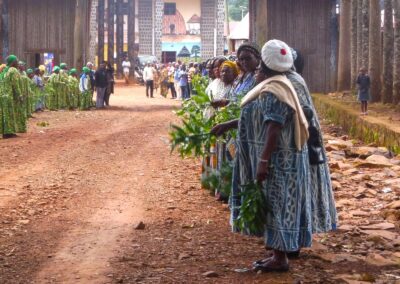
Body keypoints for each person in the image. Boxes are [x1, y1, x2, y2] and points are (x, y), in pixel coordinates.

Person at [212, 40, 313, 272]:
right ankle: (278, 252)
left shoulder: (273, 91)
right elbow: (258, 118)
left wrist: (263, 161)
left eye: (258, 67)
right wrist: (229, 124)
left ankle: (280, 258)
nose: (255, 71)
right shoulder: (278, 86)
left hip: (278, 161)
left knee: (277, 203)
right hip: (283, 160)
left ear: (266, 66)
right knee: (277, 203)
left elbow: (273, 127)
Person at [0, 55, 25, 138]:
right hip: (8, 95)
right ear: (13, 62)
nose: (18, 62)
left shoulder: (4, 70)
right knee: (10, 113)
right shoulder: (13, 70)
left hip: (2, 95)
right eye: (16, 61)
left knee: (4, 114)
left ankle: (5, 132)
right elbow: (15, 84)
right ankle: (9, 133)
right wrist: (20, 95)